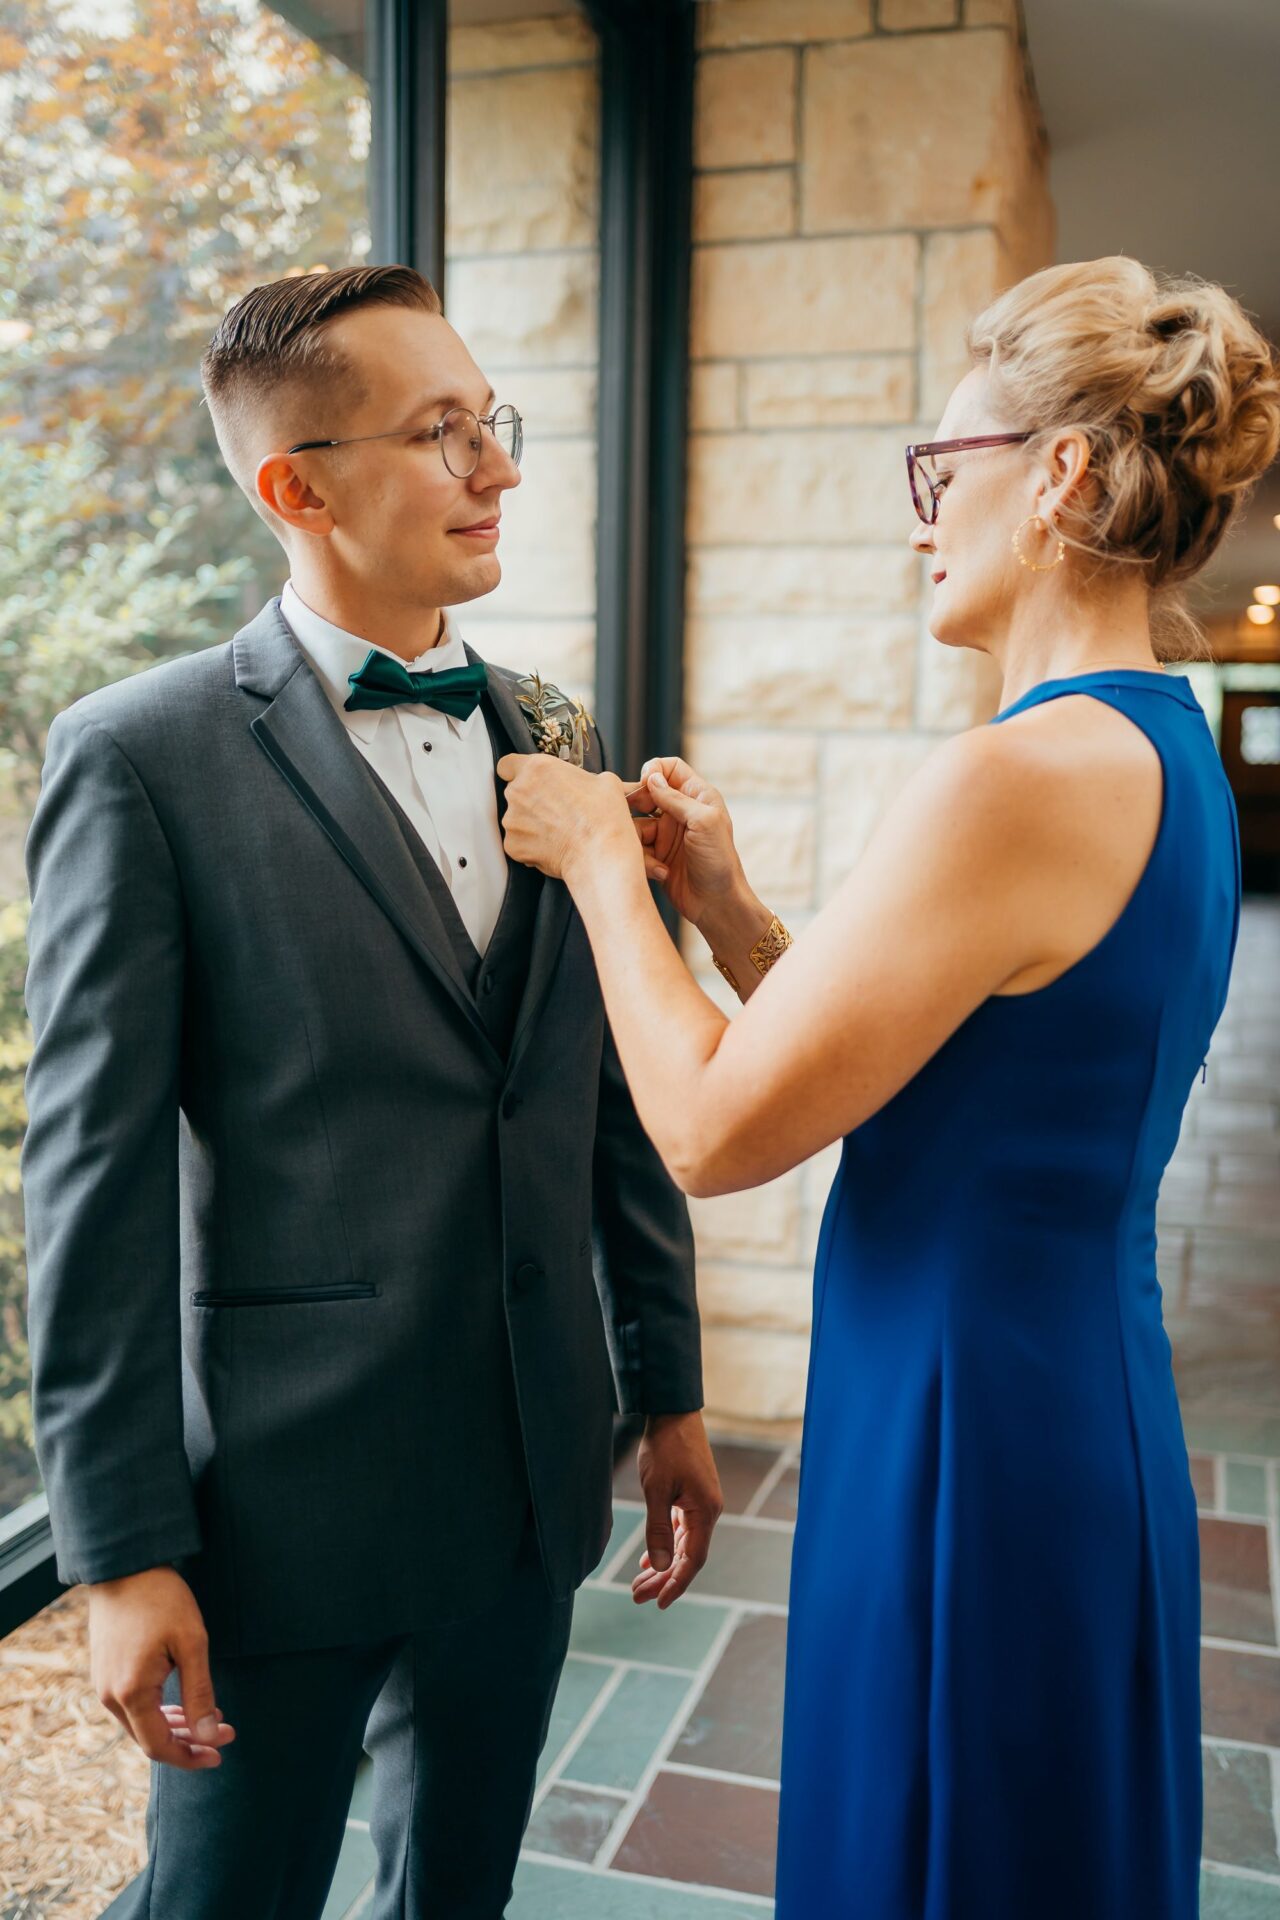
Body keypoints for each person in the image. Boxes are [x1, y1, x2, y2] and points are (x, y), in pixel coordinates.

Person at [496, 257, 1280, 1918]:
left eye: (943, 474)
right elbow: (938, 1075)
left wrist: (595, 870)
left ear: (1055, 477)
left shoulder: (1008, 777)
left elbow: (711, 1133)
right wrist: (727, 910)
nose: (920, 518)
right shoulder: (1160, 751)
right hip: (1060, 1386)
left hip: (965, 1420)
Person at [21, 263, 721, 1920]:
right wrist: (121, 1552)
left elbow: (605, 1087)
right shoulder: (139, 757)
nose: (499, 468)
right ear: (297, 487)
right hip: (285, 1503)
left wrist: (664, 1381)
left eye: (495, 423)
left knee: (456, 1893)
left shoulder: (553, 727)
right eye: (442, 433)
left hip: (538, 1466)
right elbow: (92, 1185)